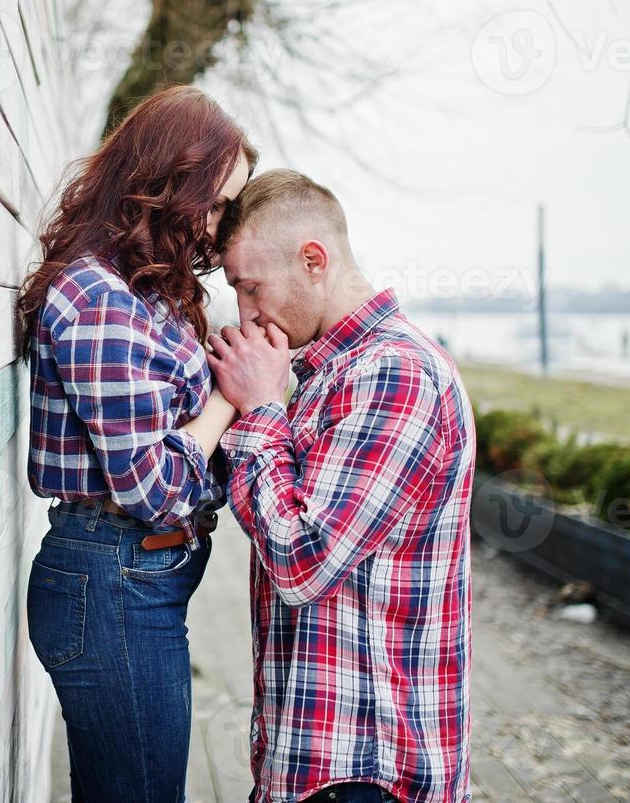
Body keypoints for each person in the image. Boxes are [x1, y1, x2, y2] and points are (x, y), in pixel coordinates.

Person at [17, 85, 256, 803]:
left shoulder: (146, 290)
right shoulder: (100, 300)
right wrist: (228, 396)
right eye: (213, 205)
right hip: (113, 582)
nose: (218, 230)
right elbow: (154, 490)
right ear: (162, 186)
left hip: (132, 581)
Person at [206, 170, 476, 803]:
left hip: (367, 767)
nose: (246, 313)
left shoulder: (396, 374)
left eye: (251, 287)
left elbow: (301, 562)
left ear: (313, 260)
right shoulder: (334, 373)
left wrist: (262, 407)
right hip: (324, 761)